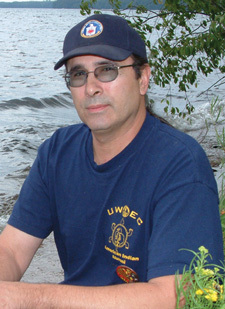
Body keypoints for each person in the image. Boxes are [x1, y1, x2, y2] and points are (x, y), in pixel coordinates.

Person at [0, 13, 223, 308]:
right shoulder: (57, 152)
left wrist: (32, 299)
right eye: (78, 74)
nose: (91, 88)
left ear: (143, 78)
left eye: (107, 70)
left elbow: (173, 296)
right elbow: (12, 250)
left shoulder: (180, 164)